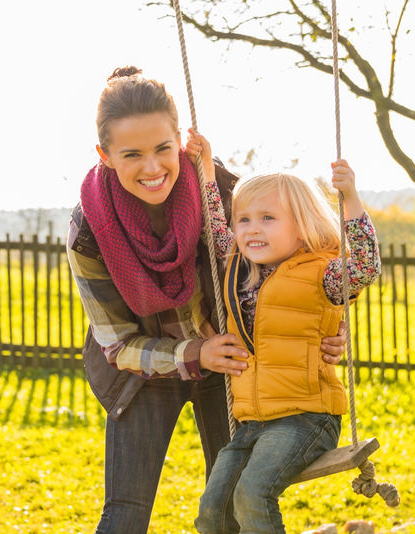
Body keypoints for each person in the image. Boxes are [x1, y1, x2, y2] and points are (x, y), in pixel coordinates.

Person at [66, 65, 347, 533]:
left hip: (233, 362)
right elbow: (116, 345)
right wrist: (194, 352)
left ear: (180, 138)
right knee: (125, 513)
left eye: (163, 149)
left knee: (230, 507)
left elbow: (302, 267)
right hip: (144, 367)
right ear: (105, 155)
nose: (153, 168)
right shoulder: (90, 231)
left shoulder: (220, 192)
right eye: (132, 154)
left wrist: (330, 329)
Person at [186, 130, 381, 533]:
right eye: (245, 219)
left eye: (268, 219)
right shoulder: (239, 269)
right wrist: (206, 167)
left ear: (302, 226)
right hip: (252, 420)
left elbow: (364, 267)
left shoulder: (322, 274)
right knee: (213, 509)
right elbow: (214, 225)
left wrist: (352, 200)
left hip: (306, 417)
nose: (252, 229)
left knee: (252, 494)